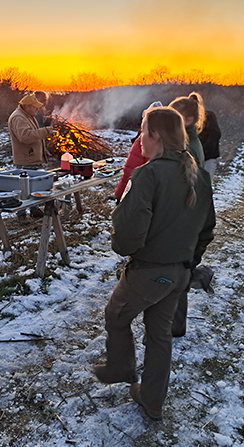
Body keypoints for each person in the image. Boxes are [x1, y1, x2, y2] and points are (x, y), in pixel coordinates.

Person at [93, 107, 215, 420]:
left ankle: (121, 367)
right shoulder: (199, 176)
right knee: (159, 335)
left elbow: (129, 234)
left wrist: (120, 245)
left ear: (155, 135)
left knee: (116, 316)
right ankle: (152, 399)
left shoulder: (147, 175)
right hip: (179, 274)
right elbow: (207, 229)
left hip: (148, 273)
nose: (140, 140)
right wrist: (188, 261)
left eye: (143, 132)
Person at [8, 94, 55, 222]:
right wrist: (45, 131)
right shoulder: (18, 117)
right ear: (27, 106)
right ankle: (21, 214)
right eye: (35, 107)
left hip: (32, 158)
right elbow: (26, 137)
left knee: (34, 187)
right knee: (23, 189)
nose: (37, 109)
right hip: (25, 160)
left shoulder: (27, 116)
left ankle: (34, 210)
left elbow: (32, 132)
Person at [114, 101, 162, 203]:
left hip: (139, 195)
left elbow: (130, 171)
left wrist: (119, 195)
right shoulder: (170, 141)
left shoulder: (142, 141)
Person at [169, 92, 206, 168]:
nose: (167, 119)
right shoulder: (183, 142)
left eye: (172, 116)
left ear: (188, 120)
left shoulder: (186, 148)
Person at [199, 109, 222, 179]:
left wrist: (205, 149)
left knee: (206, 182)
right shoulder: (185, 119)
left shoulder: (208, 116)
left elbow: (215, 134)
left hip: (208, 157)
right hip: (196, 156)